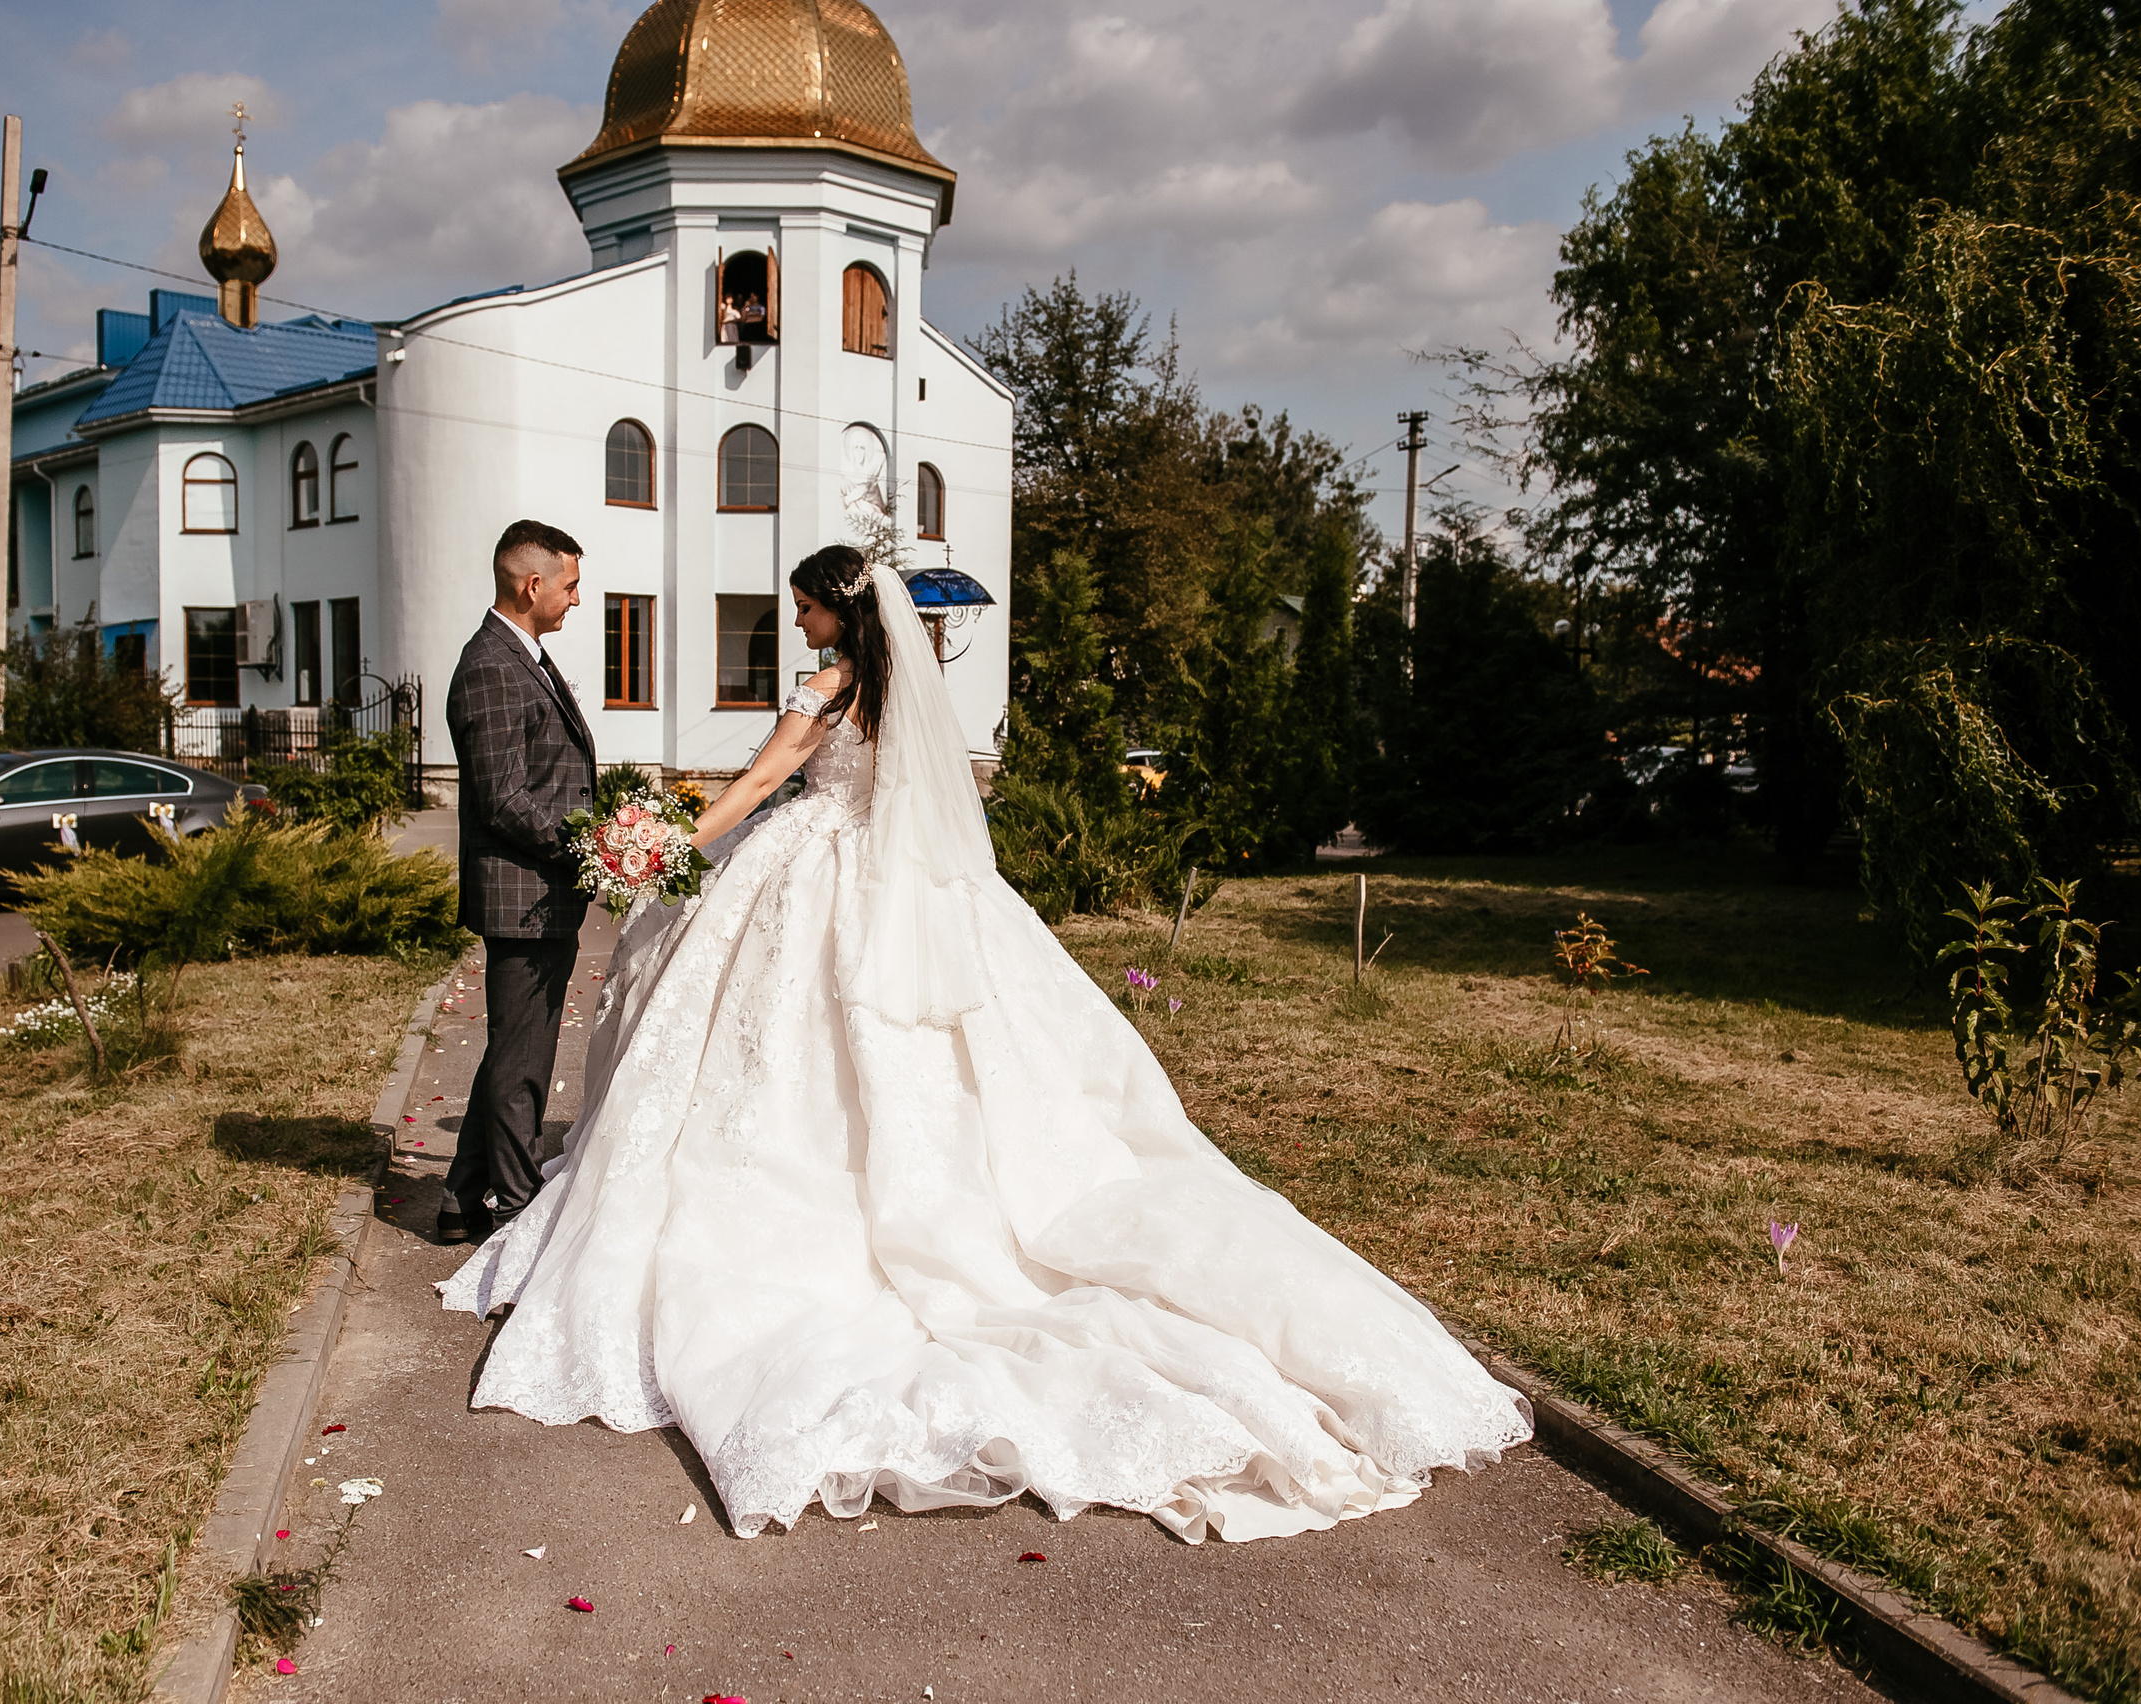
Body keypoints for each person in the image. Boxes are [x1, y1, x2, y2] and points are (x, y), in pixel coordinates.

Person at [442, 544, 1532, 1541]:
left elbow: (768, 781)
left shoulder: (826, 691)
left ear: (838, 615)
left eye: (806, 609)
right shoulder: (903, 690)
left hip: (814, 868)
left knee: (785, 1049)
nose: (799, 625)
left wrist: (668, 846)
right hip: (900, 886)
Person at [439, 519, 596, 1246]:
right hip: (524, 895)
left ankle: (461, 1199)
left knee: (516, 1050)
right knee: (524, 1059)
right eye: (569, 586)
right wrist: (589, 846)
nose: (574, 600)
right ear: (532, 585)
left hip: (541, 892)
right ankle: (513, 1205)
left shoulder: (521, 656)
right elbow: (502, 797)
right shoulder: (492, 666)